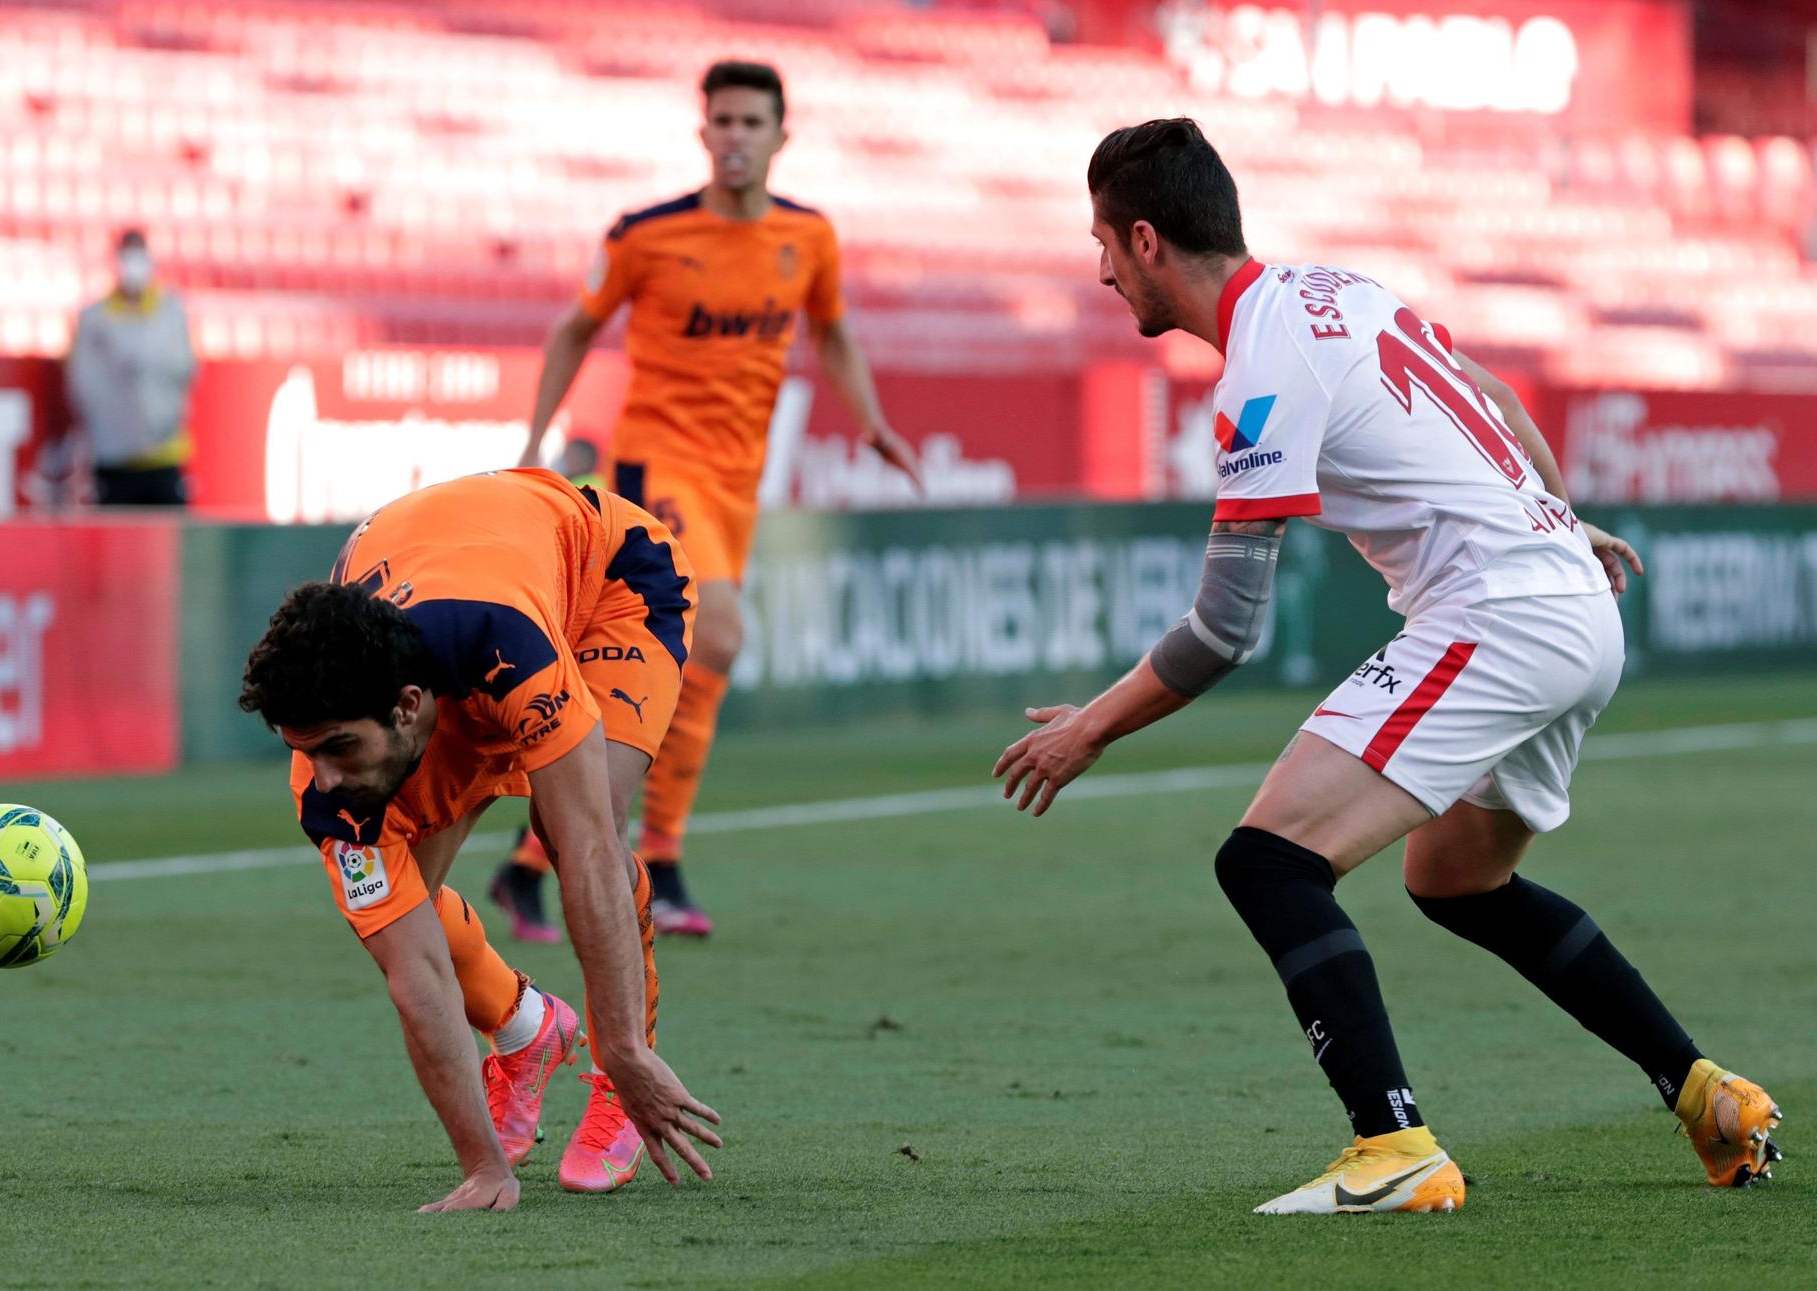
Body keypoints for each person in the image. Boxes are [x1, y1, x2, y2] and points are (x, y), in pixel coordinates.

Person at [993, 118, 1783, 1214]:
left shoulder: (1259, 368)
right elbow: (1488, 396)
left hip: (1497, 619)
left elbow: (1223, 628)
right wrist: (1555, 519)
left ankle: (1391, 1143)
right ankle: (1704, 1092)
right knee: (1455, 879)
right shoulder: (1339, 290)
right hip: (1567, 607)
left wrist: (1091, 726)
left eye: (1099, 243)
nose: (1095, 268)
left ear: (1143, 239)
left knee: (1265, 862)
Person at [497, 59, 924, 941]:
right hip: (657, 467)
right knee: (715, 633)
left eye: (750, 122)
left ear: (780, 136)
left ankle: (535, 863)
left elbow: (833, 330)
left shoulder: (807, 238)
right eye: (721, 121)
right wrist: (536, 442)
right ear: (703, 134)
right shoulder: (646, 235)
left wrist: (873, 421)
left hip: (737, 482)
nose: (735, 136)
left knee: (661, 664)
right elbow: (574, 326)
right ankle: (655, 856)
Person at [238, 469, 722, 1209]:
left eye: (338, 747)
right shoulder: (326, 786)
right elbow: (415, 973)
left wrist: (622, 1048)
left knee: (570, 830)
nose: (324, 778)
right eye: (303, 750)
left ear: (405, 708)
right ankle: (526, 1027)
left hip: (610, 589)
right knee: (411, 909)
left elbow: (590, 851)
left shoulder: (507, 645)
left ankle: (621, 1080)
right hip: (460, 612)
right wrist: (484, 1166)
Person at [65, 229, 197, 506]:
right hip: (114, 460)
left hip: (163, 456)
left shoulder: (171, 312)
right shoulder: (94, 320)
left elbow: (184, 370)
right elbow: (84, 385)